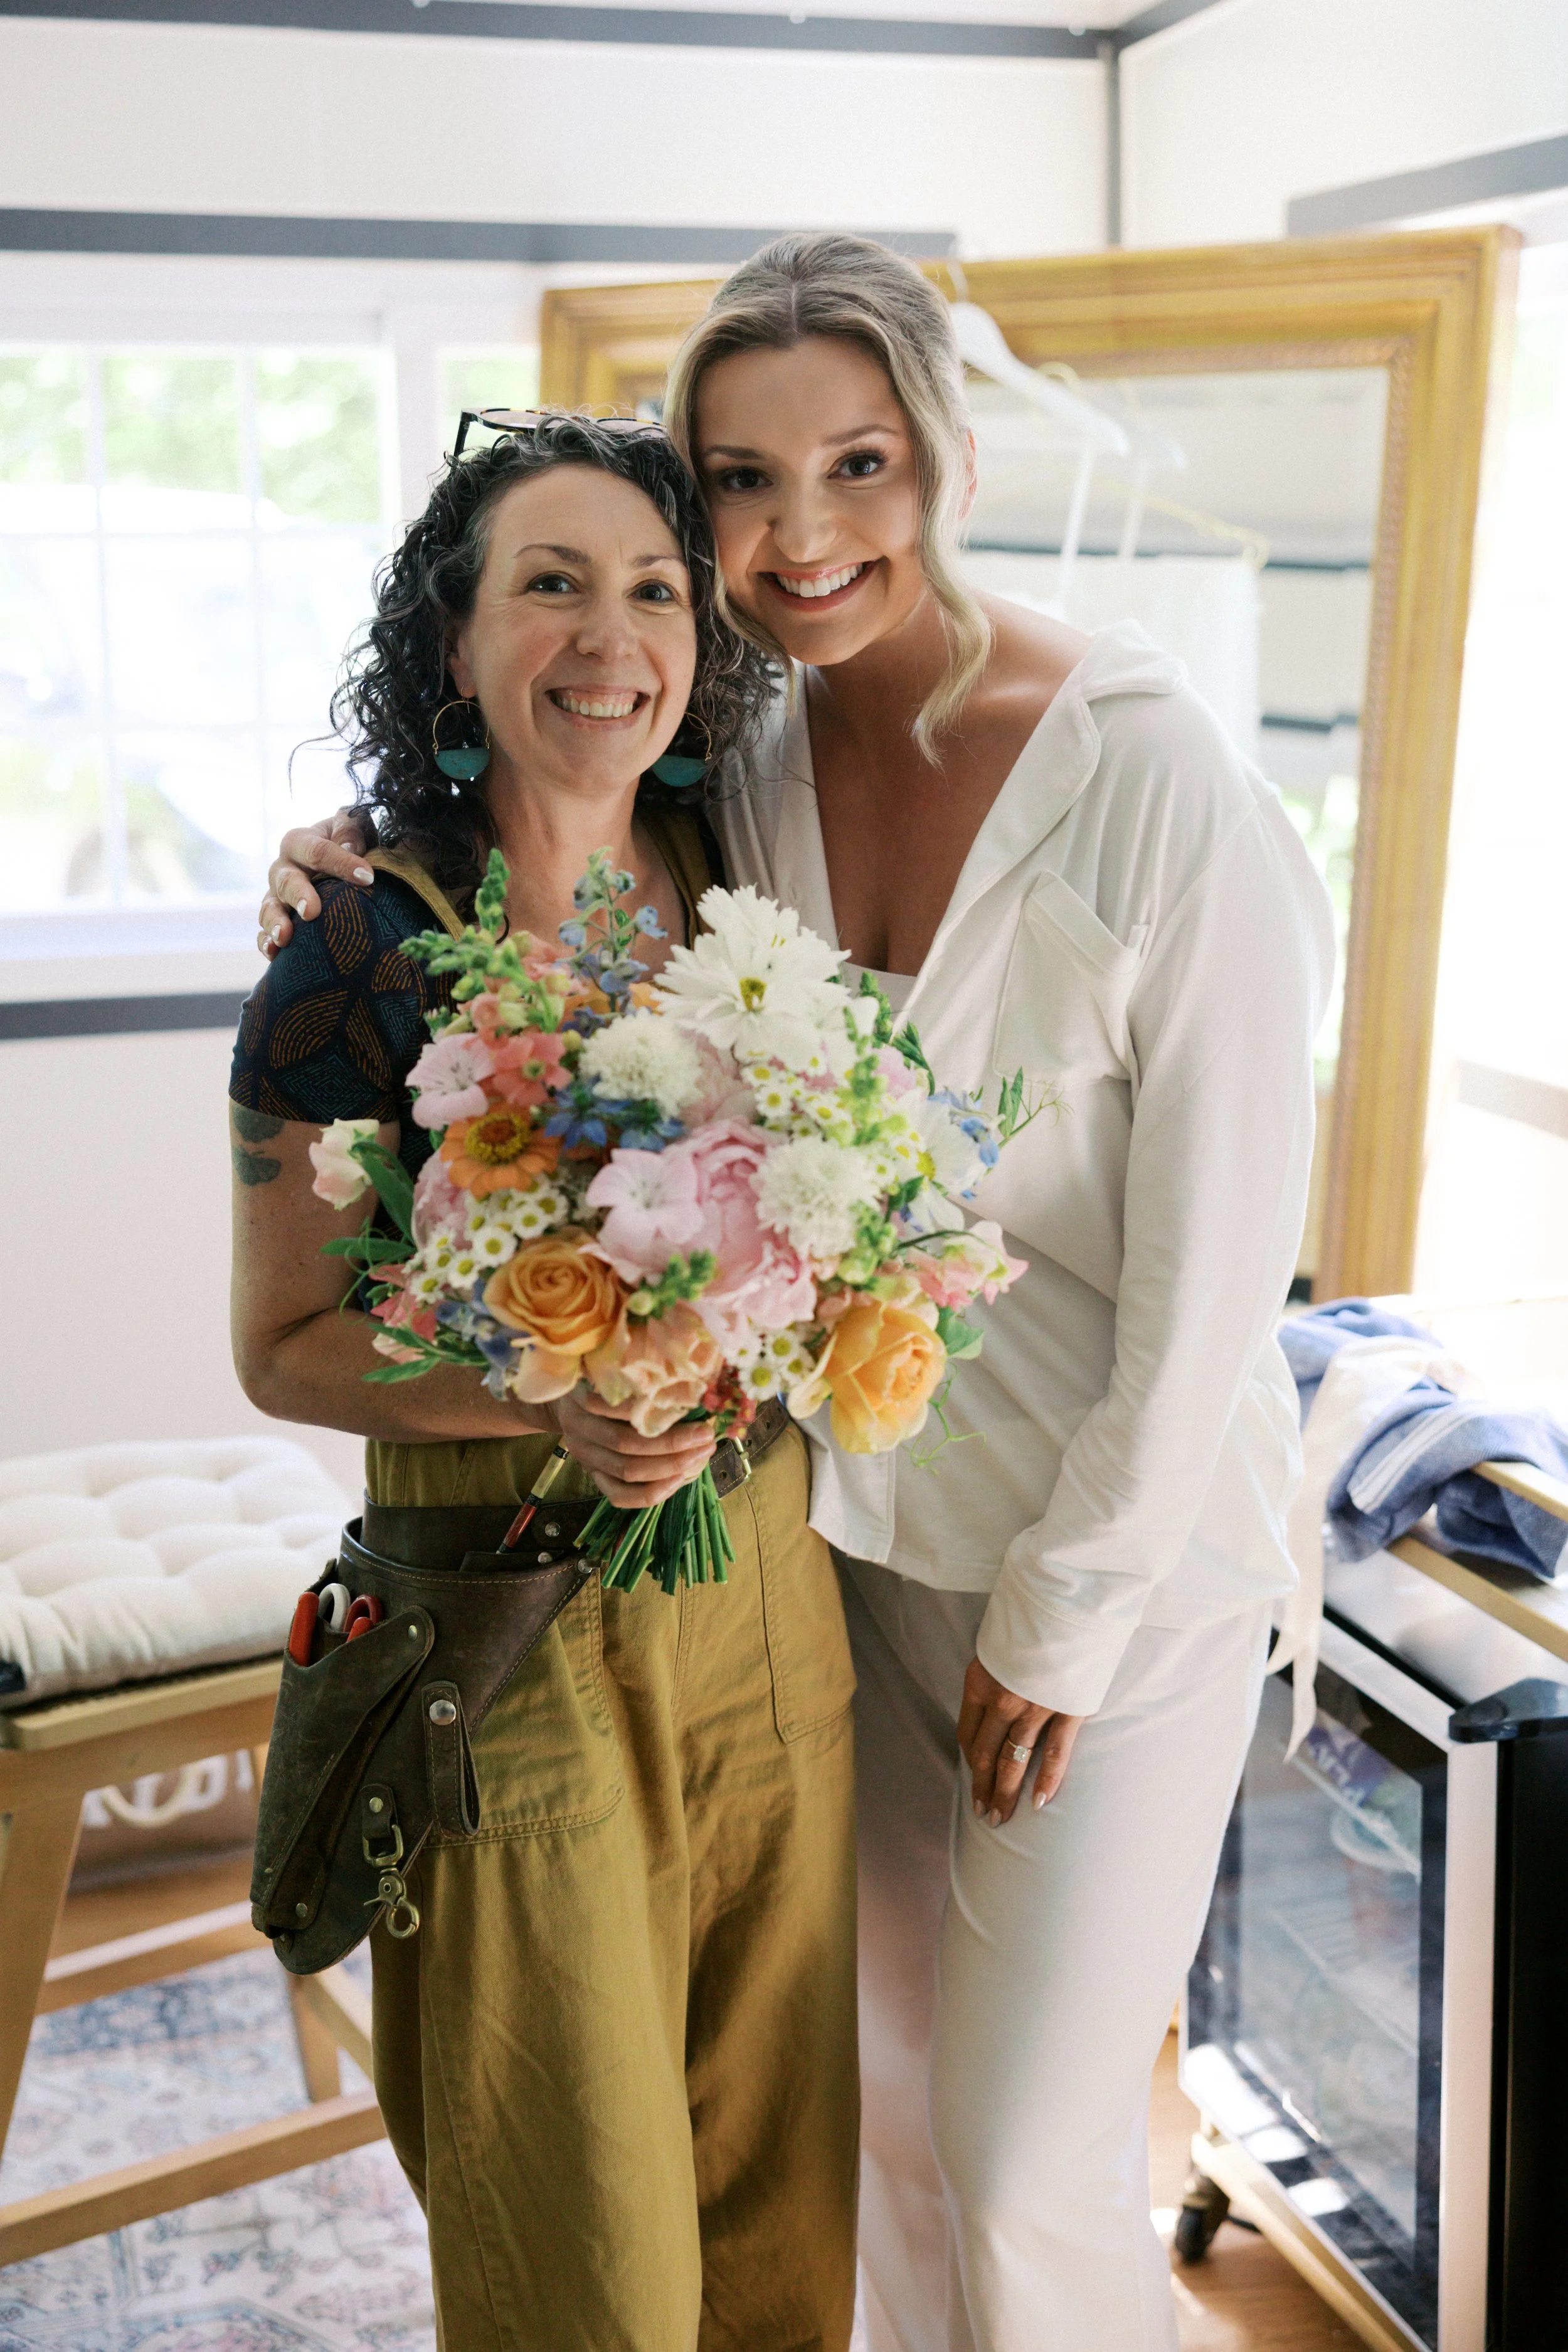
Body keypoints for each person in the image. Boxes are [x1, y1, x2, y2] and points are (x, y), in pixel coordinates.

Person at [262, 238, 1334, 2352]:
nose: (800, 529)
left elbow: (1223, 1269)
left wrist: (1069, 1606)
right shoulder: (732, 771)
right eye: (738, 482)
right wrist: (345, 844)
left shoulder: (1147, 773)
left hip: (1109, 1571)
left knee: (1032, 2164)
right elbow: (525, 792)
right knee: (891, 2133)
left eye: (855, 460)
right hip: (836, 1550)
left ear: (937, 453)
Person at [231, 412, 859, 2352]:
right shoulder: (354, 943)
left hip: (766, 1609)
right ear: (455, 642)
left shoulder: (737, 880)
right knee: (573, 2245)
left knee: (778, 2207)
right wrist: (559, 1391)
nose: (611, 635)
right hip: (500, 1630)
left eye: (655, 587)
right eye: (551, 583)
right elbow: (281, 1348)